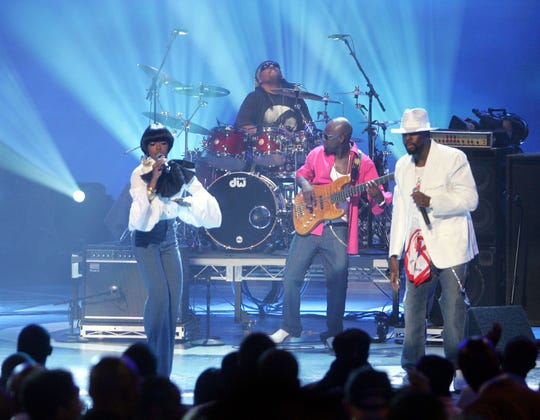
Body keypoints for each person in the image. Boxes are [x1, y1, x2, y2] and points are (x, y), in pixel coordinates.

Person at [270, 117, 392, 346]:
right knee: (291, 277)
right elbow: (301, 174)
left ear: (343, 138)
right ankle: (289, 327)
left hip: (338, 228)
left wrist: (378, 196)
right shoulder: (317, 153)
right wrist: (306, 185)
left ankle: (333, 332)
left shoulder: (362, 163)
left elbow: (380, 204)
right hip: (311, 223)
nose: (323, 139)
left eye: (328, 136)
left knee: (337, 283)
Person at [387, 108, 479, 370]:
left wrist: (433, 202)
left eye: (413, 135)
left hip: (451, 247)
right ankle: (411, 366)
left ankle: (457, 366)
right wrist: (395, 253)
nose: (408, 140)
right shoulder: (403, 165)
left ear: (426, 133)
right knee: (413, 306)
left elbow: (470, 200)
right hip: (417, 249)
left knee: (452, 309)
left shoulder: (453, 158)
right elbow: (401, 211)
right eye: (405, 135)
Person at [128, 123, 222, 377]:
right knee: (158, 299)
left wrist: (187, 202)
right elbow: (140, 216)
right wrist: (155, 178)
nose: (159, 148)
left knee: (172, 306)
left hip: (170, 239)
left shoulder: (179, 170)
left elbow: (203, 201)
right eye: (153, 144)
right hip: (147, 241)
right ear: (146, 147)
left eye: (163, 143)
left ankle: (163, 374)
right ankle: (150, 366)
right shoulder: (140, 173)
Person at [235, 60, 313, 135]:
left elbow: (309, 128)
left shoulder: (296, 98)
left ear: (282, 75)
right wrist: (274, 134)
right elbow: (243, 126)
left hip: (295, 147)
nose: (272, 66)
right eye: (266, 66)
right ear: (259, 79)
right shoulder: (254, 97)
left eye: (276, 65)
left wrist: (293, 137)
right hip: (263, 146)